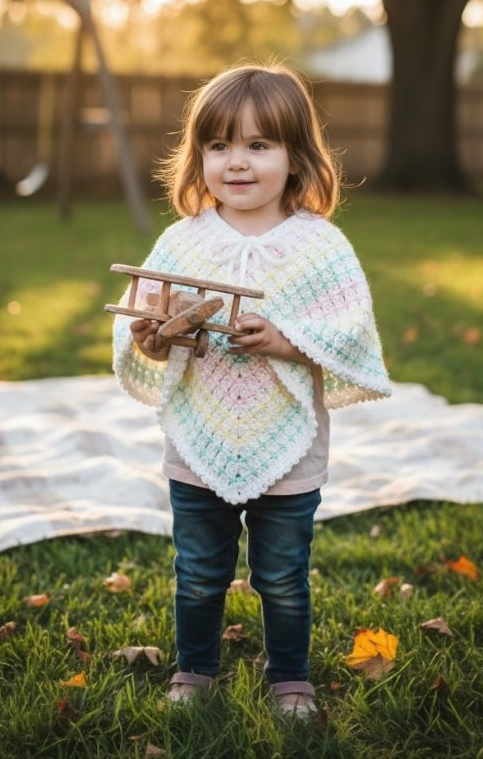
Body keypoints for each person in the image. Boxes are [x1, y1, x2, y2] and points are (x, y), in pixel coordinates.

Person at [112, 63, 390, 718]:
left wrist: (286, 339)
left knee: (283, 577)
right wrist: (153, 337)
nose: (237, 162)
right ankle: (195, 669)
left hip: (291, 448)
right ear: (198, 155)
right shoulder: (181, 241)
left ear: (295, 156)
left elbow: (347, 334)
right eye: (219, 145)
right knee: (199, 571)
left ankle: (289, 677)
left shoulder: (318, 246)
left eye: (258, 145)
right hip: (195, 440)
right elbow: (144, 329)